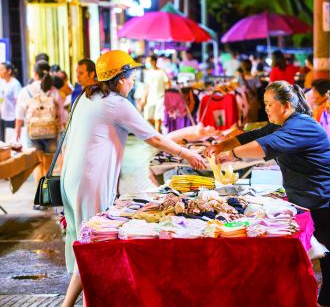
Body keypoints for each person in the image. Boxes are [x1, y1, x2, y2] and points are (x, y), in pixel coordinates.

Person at [60, 50, 206, 307]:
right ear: (118, 79)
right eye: (130, 77)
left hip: (70, 178)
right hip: (89, 180)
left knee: (82, 241)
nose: (133, 82)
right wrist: (187, 153)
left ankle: (75, 303)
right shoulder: (117, 104)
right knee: (93, 244)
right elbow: (155, 138)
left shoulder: (86, 97)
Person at [204, 80, 330, 307]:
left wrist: (231, 155)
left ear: (286, 106)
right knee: (321, 248)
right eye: (265, 104)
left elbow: (263, 146)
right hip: (312, 195)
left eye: (270, 104)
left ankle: (329, 301)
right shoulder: (280, 124)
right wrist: (219, 146)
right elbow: (252, 136)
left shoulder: (301, 126)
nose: (266, 108)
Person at [15, 60, 65, 184]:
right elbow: (61, 114)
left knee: (37, 164)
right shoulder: (54, 91)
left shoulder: (26, 91)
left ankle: (39, 198)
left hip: (33, 133)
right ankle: (47, 196)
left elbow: (19, 115)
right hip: (51, 132)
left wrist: (17, 134)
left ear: (35, 73)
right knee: (48, 166)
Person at [141, 54, 170, 131]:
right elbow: (147, 86)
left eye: (149, 61)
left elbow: (168, 83)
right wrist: (144, 98)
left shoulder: (162, 71)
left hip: (161, 97)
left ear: (153, 61)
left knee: (158, 117)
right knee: (147, 117)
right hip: (151, 97)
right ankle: (159, 130)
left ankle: (158, 132)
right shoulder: (148, 73)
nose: (148, 63)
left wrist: (166, 93)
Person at [0, 62, 22, 142]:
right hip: (3, 117)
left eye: (2, 69)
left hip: (12, 118)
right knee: (2, 142)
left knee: (10, 142)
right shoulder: (2, 83)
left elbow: (18, 102)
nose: (0, 71)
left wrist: (18, 119)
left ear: (9, 71)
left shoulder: (15, 84)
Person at [239, 59, 262, 123]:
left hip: (244, 102)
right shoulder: (256, 77)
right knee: (254, 122)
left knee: (244, 121)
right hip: (254, 102)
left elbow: (240, 89)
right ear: (251, 66)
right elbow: (259, 87)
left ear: (243, 67)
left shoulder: (240, 77)